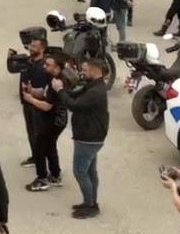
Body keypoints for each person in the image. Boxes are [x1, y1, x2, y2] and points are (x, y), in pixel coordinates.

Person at [51, 58, 110, 219]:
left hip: (88, 138)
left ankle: (90, 206)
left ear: (94, 70)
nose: (81, 73)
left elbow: (74, 105)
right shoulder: (94, 86)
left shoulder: (95, 92)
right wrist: (63, 89)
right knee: (90, 171)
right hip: (91, 136)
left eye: (84, 70)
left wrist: (59, 90)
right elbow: (74, 94)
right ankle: (90, 201)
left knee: (80, 172)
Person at [21, 54, 71, 191]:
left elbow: (47, 105)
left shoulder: (59, 82)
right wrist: (32, 91)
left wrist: (30, 99)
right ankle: (55, 175)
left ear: (57, 67)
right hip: (56, 120)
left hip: (53, 121)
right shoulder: (52, 78)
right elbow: (45, 93)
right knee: (50, 146)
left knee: (40, 147)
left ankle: (42, 178)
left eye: (48, 65)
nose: (44, 66)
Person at [13, 37, 49, 169]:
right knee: (31, 132)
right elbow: (12, 68)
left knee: (39, 134)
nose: (31, 48)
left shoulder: (45, 65)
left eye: (34, 46)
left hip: (38, 105)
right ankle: (35, 156)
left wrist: (33, 94)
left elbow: (46, 89)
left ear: (42, 49)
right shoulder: (28, 62)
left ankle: (44, 160)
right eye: (31, 46)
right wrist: (9, 58)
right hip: (27, 103)